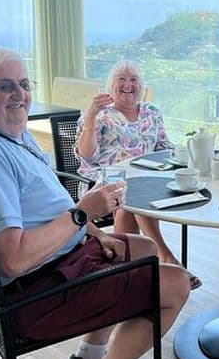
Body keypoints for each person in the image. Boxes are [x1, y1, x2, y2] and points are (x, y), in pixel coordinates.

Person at [0, 48, 190, 359]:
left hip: (54, 264)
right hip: (32, 296)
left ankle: (87, 356)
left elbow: (52, 205)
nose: (19, 94)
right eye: (5, 86)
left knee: (144, 248)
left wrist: (97, 233)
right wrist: (83, 213)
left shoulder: (7, 134)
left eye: (24, 84)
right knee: (175, 285)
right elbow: (12, 261)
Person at [74, 59, 201, 290]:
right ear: (110, 85)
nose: (128, 85)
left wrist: (188, 154)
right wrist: (92, 114)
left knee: (129, 206)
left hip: (146, 180)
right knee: (133, 194)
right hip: (104, 183)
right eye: (121, 79)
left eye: (134, 79)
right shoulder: (100, 115)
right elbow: (87, 155)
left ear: (141, 85)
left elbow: (164, 147)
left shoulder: (152, 112)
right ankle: (165, 256)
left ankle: (128, 273)